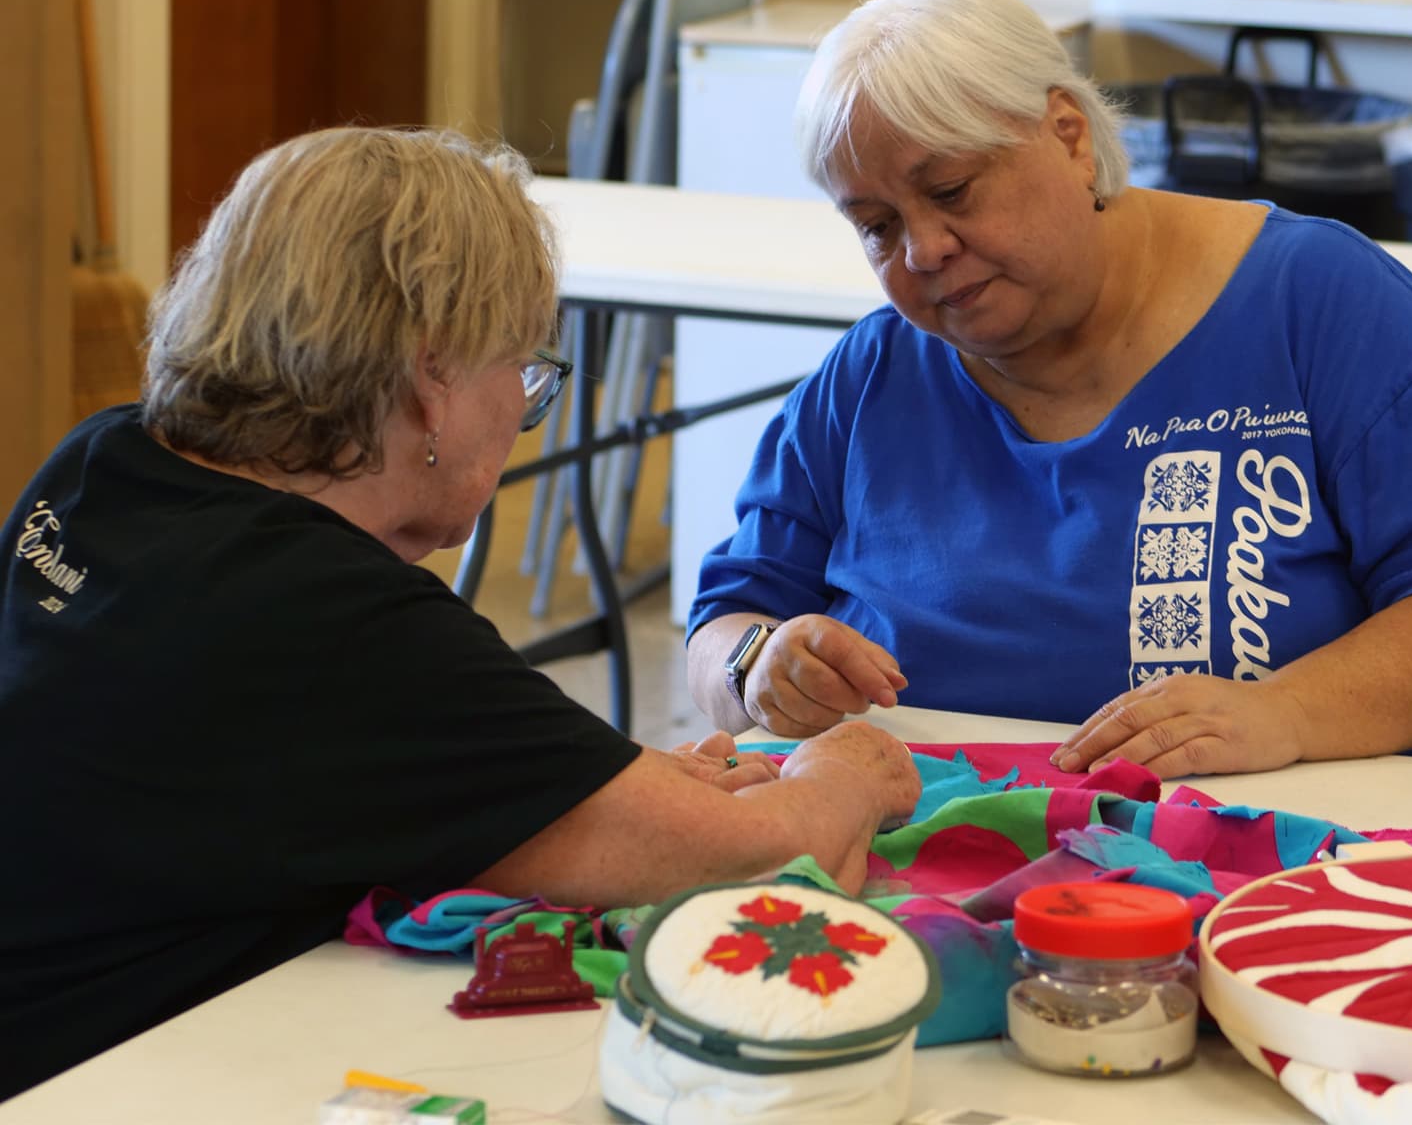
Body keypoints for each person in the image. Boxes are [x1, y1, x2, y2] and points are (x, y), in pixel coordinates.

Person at [0, 127, 918, 1101]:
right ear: (431, 383)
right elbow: (760, 873)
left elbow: (332, 766)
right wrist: (842, 771)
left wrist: (611, 786)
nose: (523, 415)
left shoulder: (106, 466)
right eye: (522, 375)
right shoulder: (335, 618)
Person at [686, 0, 1412, 778]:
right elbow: (727, 623)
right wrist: (756, 669)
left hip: (1272, 852)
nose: (923, 250)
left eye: (954, 191)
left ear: (1069, 138)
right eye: (877, 225)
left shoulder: (1314, 302)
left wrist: (1289, 712)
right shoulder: (874, 374)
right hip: (930, 845)